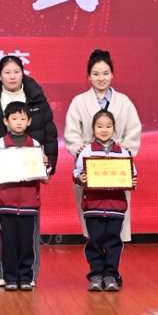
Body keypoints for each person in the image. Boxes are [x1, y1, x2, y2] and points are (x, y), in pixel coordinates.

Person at [0, 54, 58, 287]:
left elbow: (50, 133)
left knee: (29, 230)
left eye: (16, 71)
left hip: (29, 177)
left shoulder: (36, 99)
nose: (12, 76)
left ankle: (28, 275)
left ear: (23, 73)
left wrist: (48, 165)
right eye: (7, 72)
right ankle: (0, 273)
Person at [63, 48, 142, 244]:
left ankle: (112, 259)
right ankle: (96, 259)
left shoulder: (124, 102)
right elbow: (71, 132)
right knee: (93, 222)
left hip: (117, 167)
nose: (101, 78)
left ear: (112, 74)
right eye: (96, 74)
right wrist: (79, 147)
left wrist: (124, 151)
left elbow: (134, 130)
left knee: (116, 218)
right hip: (91, 166)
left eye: (106, 73)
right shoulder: (79, 102)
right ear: (89, 76)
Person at [0, 103, 49, 291]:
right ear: (6, 121)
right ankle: (10, 277)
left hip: (29, 203)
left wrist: (45, 165)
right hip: (6, 203)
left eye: (22, 119)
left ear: (29, 121)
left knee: (27, 243)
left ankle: (26, 277)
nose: (18, 122)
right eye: (14, 118)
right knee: (9, 243)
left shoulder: (35, 145)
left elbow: (45, 177)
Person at [73, 109, 136, 292]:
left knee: (114, 242)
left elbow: (132, 173)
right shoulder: (86, 151)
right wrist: (81, 178)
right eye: (99, 126)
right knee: (94, 241)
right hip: (93, 205)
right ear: (93, 128)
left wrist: (132, 180)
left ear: (114, 128)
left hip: (116, 206)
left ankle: (111, 275)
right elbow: (77, 173)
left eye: (108, 126)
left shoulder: (123, 152)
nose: (104, 130)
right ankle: (95, 275)